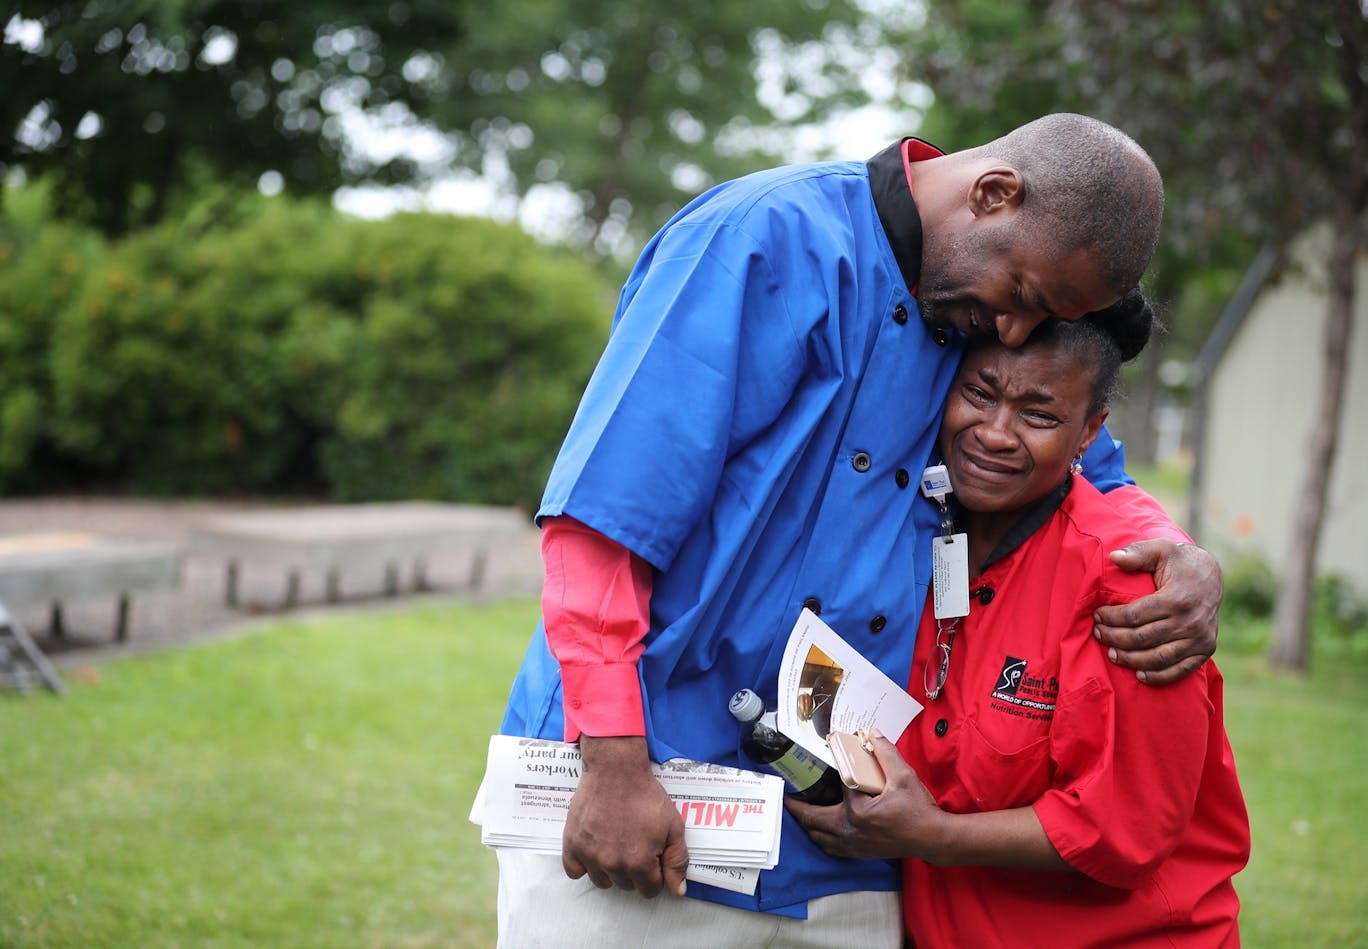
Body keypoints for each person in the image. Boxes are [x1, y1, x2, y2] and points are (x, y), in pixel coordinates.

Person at [496, 113, 1223, 946]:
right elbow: (606, 520)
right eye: (1024, 297)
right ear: (994, 194)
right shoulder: (758, 239)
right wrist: (615, 763)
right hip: (650, 799)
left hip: (845, 841)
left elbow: (1094, 471)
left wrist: (1187, 561)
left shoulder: (979, 308)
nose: (1017, 332)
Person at [786, 306, 1251, 947]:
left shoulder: (1134, 595)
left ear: (1090, 433)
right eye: (980, 393)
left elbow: (1126, 830)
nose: (996, 433)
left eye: (1039, 415)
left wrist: (928, 835)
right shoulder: (914, 536)